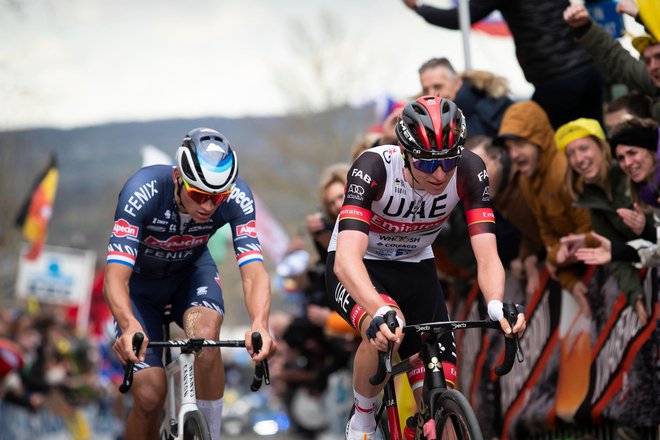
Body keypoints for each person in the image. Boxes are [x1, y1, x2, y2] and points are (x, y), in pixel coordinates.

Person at [326, 96, 526, 440]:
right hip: (362, 267)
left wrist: (495, 303)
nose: (440, 174)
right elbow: (346, 260)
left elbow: (488, 254)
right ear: (405, 152)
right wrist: (379, 309)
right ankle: (362, 418)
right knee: (382, 333)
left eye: (448, 162)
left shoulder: (469, 170)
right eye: (427, 163)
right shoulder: (373, 167)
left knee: (439, 398)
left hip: (417, 269)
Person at [103, 127, 276, 440]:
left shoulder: (238, 196)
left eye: (218, 198)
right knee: (149, 396)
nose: (209, 206)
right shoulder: (142, 190)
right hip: (140, 290)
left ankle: (211, 433)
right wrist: (128, 325)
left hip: (190, 274)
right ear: (178, 178)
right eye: (198, 195)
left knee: (207, 340)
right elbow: (115, 276)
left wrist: (260, 323)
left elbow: (253, 271)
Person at [402, 0, 605, 129]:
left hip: (555, 78)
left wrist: (419, 7)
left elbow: (460, 19)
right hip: (589, 67)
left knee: (564, 148)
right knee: (597, 139)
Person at [494, 101, 593, 314]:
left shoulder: (564, 171)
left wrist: (554, 260)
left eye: (519, 144)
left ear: (539, 139)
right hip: (580, 277)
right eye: (509, 148)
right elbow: (548, 237)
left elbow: (590, 235)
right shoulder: (526, 179)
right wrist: (568, 279)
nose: (513, 155)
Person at [554, 118, 652, 323]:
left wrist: (646, 228)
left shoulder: (632, 173)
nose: (579, 159)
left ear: (602, 147)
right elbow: (613, 252)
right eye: (571, 154)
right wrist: (635, 294)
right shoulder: (590, 199)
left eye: (584, 148)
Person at [465, 136, 545, 296]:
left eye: (481, 168)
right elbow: (532, 230)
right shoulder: (499, 194)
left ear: (498, 158)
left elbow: (551, 227)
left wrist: (530, 255)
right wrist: (527, 255)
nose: (476, 179)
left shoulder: (523, 182)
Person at [563, 3, 660, 121]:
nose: (653, 66)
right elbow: (616, 59)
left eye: (659, 57)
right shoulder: (651, 82)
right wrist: (584, 28)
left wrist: (643, 17)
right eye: (647, 61)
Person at [418, 57, 513, 138]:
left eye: (438, 86)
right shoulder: (425, 122)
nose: (431, 94)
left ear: (457, 83)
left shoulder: (496, 108)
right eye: (426, 89)